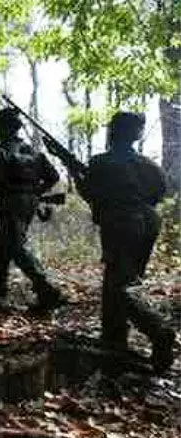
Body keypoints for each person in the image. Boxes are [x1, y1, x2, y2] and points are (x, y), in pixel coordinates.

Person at [44, 112, 174, 374]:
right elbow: (159, 194)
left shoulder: (101, 162)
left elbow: (89, 193)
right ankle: (114, 339)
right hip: (149, 222)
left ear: (114, 132)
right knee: (124, 280)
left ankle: (157, 329)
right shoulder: (148, 165)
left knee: (120, 286)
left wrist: (71, 166)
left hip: (122, 224)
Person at [0, 108, 65, 311]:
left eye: (0, 129)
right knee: (4, 245)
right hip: (29, 204)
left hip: (11, 204)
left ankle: (48, 290)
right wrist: (33, 193)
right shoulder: (34, 152)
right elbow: (53, 177)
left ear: (7, 129)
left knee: (17, 247)